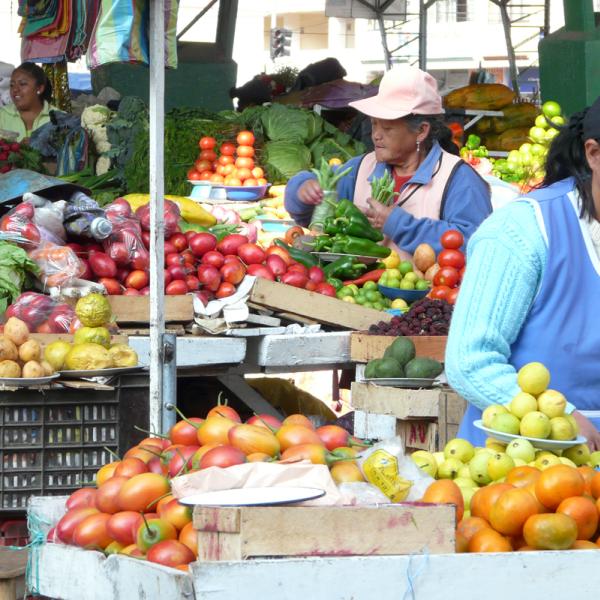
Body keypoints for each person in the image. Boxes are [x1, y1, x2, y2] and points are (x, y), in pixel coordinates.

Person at [446, 96, 600, 451]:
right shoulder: (521, 231)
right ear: (593, 154)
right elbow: (470, 362)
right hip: (515, 473)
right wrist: (559, 419)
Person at [284, 65, 492, 258]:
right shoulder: (360, 168)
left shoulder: (459, 179)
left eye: (387, 128)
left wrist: (399, 224)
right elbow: (317, 219)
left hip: (429, 296)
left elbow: (474, 244)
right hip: (353, 294)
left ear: (421, 131)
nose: (376, 135)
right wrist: (301, 190)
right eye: (374, 125)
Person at [0, 62, 55, 142]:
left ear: (39, 88)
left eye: (22, 84)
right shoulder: (2, 115)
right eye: (12, 85)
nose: (15, 89)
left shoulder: (59, 119)